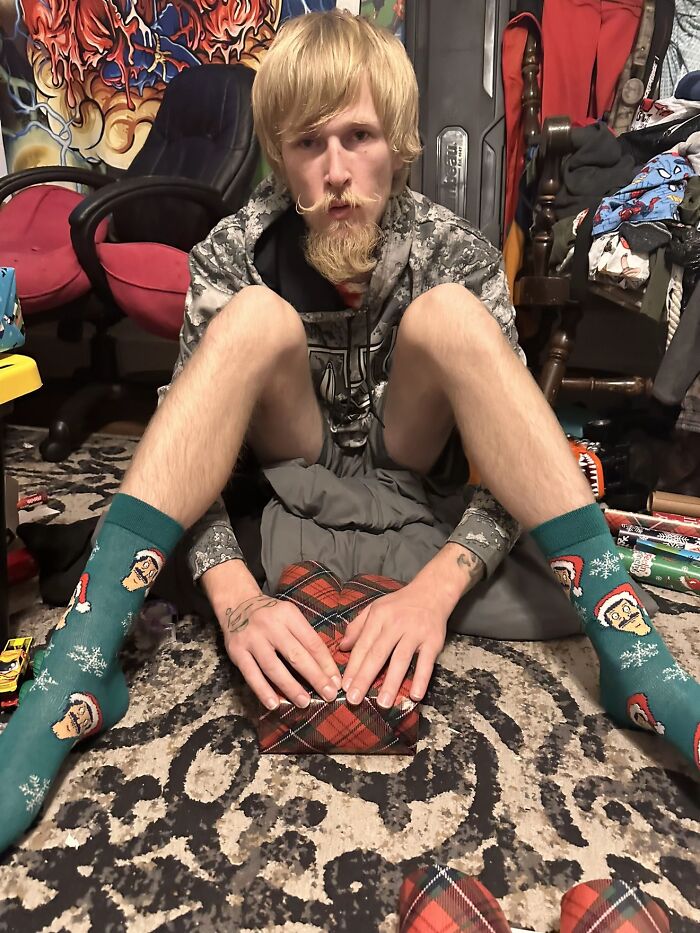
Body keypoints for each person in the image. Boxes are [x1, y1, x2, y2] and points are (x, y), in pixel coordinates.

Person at [0, 10, 697, 854]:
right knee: (252, 317)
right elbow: (189, 449)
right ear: (279, 158)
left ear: (398, 144)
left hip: (414, 504)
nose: (336, 172)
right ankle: (78, 665)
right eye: (307, 144)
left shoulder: (455, 249)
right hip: (284, 500)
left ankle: (635, 653)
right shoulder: (233, 250)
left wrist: (436, 593)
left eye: (359, 136)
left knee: (450, 312)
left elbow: (516, 455)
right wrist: (236, 597)